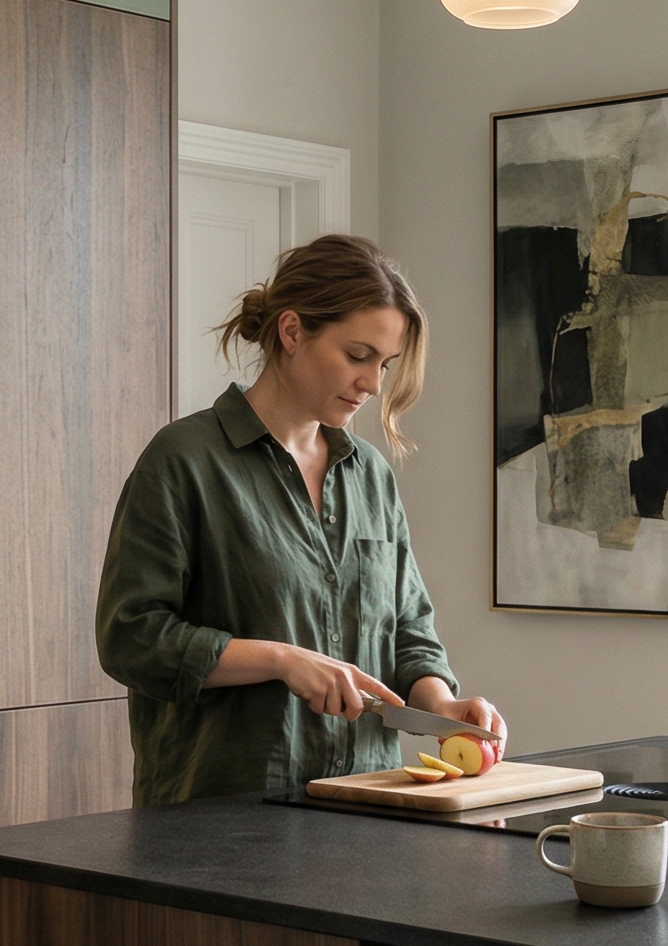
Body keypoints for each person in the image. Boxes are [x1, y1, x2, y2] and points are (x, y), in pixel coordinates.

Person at [96, 233, 506, 805]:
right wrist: (281, 660)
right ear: (292, 332)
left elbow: (410, 629)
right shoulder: (184, 461)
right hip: (219, 824)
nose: (373, 383)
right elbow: (130, 637)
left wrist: (440, 703)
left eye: (385, 364)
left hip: (366, 810)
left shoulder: (370, 475)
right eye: (358, 356)